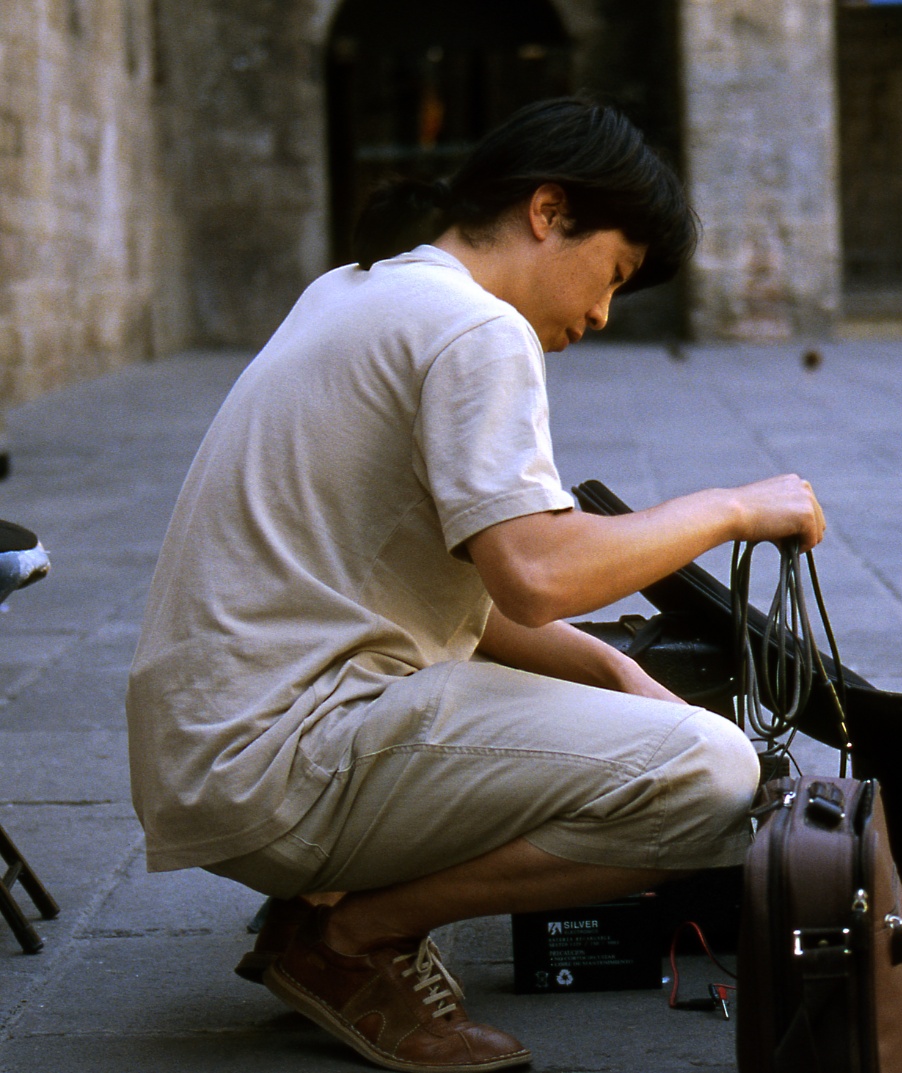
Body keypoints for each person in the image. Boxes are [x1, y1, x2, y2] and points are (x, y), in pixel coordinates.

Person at [125, 98, 826, 1072]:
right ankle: (348, 937)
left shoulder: (356, 289)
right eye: (613, 273)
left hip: (213, 750)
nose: (598, 315)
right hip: (283, 757)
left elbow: (476, 594)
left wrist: (617, 675)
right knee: (714, 779)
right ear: (549, 210)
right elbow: (538, 571)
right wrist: (732, 506)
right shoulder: (472, 329)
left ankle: (323, 896)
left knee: (655, 731)